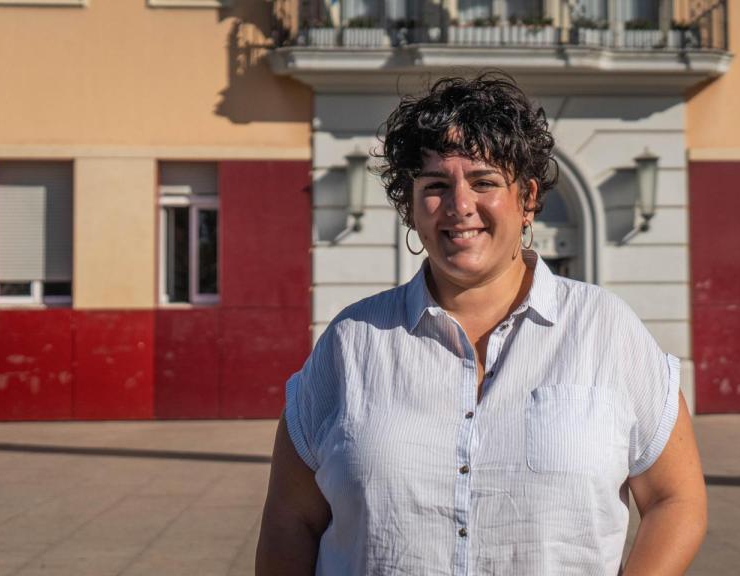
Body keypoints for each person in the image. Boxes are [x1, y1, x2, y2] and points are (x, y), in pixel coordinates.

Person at [256, 73, 707, 576]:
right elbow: (290, 520)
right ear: (410, 207)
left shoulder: (607, 330)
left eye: (485, 181)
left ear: (528, 198)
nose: (460, 205)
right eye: (435, 185)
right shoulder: (351, 342)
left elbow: (675, 500)